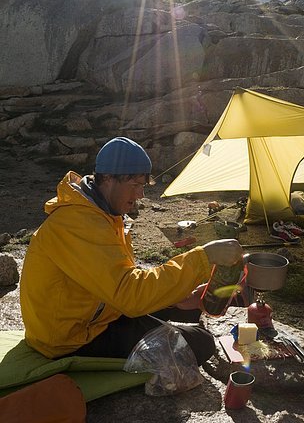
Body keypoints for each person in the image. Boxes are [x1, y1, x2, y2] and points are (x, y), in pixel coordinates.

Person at [20, 137, 242, 366]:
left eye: (143, 185)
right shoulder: (79, 223)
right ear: (107, 179)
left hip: (98, 314)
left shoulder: (100, 213)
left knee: (188, 310)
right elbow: (130, 295)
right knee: (202, 343)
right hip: (70, 339)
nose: (141, 195)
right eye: (135, 185)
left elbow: (121, 281)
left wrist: (177, 298)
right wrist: (203, 258)